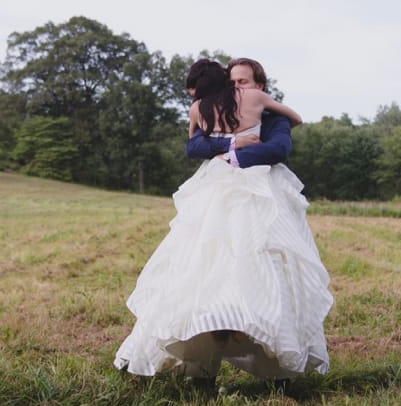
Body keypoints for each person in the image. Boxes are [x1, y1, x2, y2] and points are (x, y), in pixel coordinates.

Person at [114, 59, 333, 381]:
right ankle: (197, 356)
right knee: (202, 259)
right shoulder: (218, 107)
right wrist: (230, 143)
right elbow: (196, 144)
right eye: (233, 82)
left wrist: (233, 158)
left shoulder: (272, 116)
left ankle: (277, 358)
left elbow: (279, 148)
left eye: (244, 81)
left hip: (260, 190)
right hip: (217, 191)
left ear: (260, 84)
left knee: (264, 261)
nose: (237, 88)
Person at [185, 57, 294, 167]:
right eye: (231, 83)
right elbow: (194, 146)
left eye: (242, 82)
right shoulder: (212, 116)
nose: (235, 88)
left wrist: (227, 158)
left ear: (259, 86)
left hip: (258, 179)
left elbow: (278, 149)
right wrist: (234, 142)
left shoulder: (276, 120)